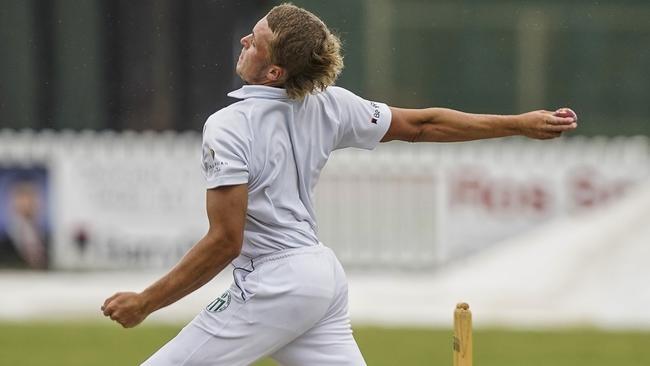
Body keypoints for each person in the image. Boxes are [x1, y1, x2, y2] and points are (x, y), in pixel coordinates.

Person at [102, 3, 577, 365]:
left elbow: (226, 240)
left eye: (256, 40)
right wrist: (519, 123)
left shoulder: (228, 125)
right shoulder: (330, 103)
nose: (245, 38)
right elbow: (424, 125)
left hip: (276, 282)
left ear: (274, 72)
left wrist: (146, 302)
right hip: (321, 278)